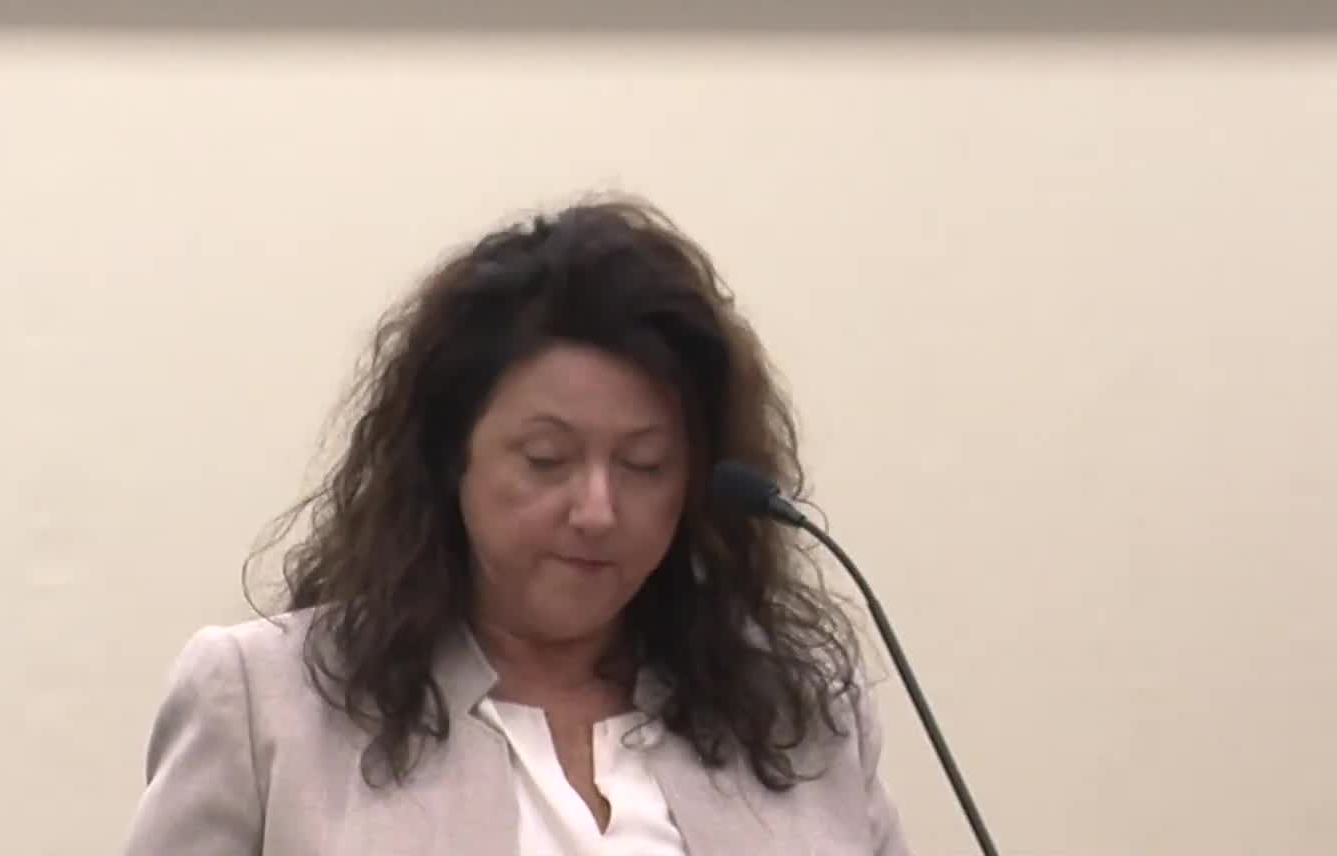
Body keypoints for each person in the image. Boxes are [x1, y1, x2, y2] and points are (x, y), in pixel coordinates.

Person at [122, 196, 910, 855]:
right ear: (449, 458)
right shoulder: (267, 703)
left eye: (643, 465)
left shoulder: (797, 715)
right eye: (546, 460)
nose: (596, 511)